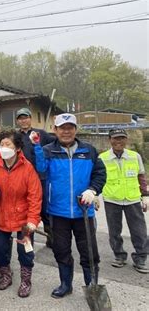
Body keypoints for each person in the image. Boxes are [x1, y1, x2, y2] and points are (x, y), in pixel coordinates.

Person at [32, 113, 106, 298]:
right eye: (62, 128)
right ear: (55, 130)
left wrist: (93, 190)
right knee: (61, 250)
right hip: (58, 211)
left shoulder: (89, 150)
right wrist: (36, 148)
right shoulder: (48, 150)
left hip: (84, 212)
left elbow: (100, 173)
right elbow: (40, 170)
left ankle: (92, 286)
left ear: (75, 129)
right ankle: (66, 284)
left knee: (89, 252)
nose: (66, 131)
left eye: (70, 127)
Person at [0, 130, 42, 297]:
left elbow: (35, 195)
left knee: (25, 251)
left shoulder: (27, 168)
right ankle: (6, 275)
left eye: (8, 145)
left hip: (24, 220)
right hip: (1, 215)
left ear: (18, 147)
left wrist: (33, 220)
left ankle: (26, 281)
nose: (4, 148)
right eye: (2, 144)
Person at [99, 129, 148, 274]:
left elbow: (141, 176)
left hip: (132, 199)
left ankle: (140, 258)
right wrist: (95, 195)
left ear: (126, 140)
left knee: (139, 231)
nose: (119, 141)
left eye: (122, 138)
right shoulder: (102, 158)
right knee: (114, 231)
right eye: (115, 138)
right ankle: (119, 256)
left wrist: (145, 195)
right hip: (112, 199)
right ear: (110, 140)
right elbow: (98, 178)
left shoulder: (135, 156)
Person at [15, 107, 54, 248]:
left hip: (41, 177)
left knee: (44, 209)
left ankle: (52, 238)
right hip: (22, 177)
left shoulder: (42, 134)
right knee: (25, 208)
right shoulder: (16, 136)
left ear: (30, 118)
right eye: (20, 118)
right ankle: (26, 238)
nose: (23, 120)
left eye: (25, 117)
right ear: (17, 121)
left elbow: (55, 144)